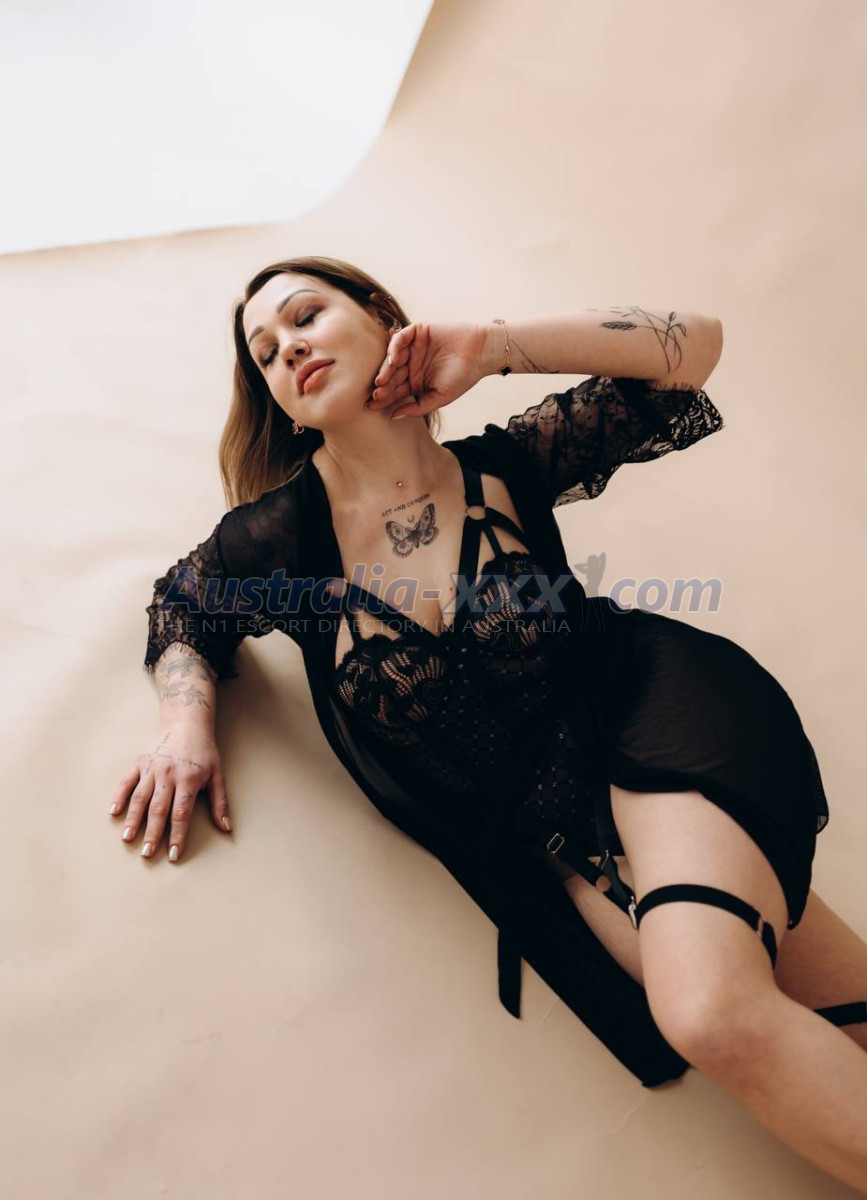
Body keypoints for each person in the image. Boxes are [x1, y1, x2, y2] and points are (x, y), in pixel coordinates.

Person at [113, 255, 867, 1191]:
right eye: (265, 353)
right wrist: (185, 723)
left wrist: (493, 347)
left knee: (709, 1013)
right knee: (822, 1023)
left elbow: (693, 350)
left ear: (383, 317)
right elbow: (181, 610)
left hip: (649, 731)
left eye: (305, 317)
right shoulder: (277, 543)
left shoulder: (511, 463)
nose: (289, 349)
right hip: (551, 840)